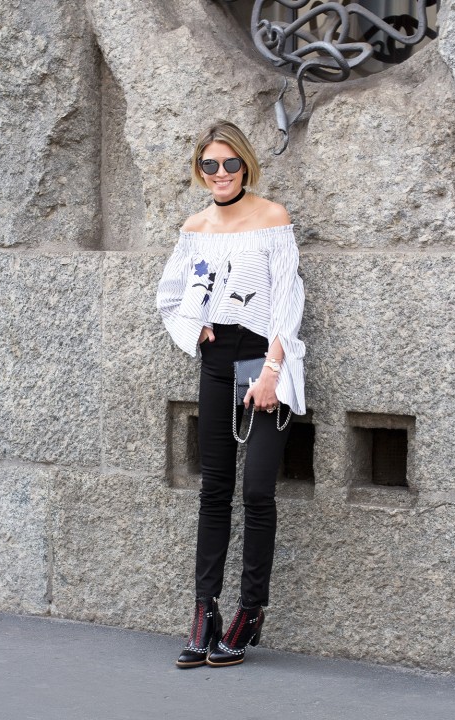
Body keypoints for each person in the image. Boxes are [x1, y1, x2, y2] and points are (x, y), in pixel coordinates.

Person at [157, 120, 305, 668]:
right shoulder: (195, 227)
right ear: (200, 170)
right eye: (210, 165)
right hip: (217, 365)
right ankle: (205, 612)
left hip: (264, 361)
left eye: (230, 164)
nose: (221, 173)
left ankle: (250, 611)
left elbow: (288, 301)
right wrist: (192, 326)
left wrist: (272, 370)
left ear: (245, 165)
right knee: (214, 490)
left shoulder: (272, 218)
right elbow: (170, 294)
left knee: (259, 490)